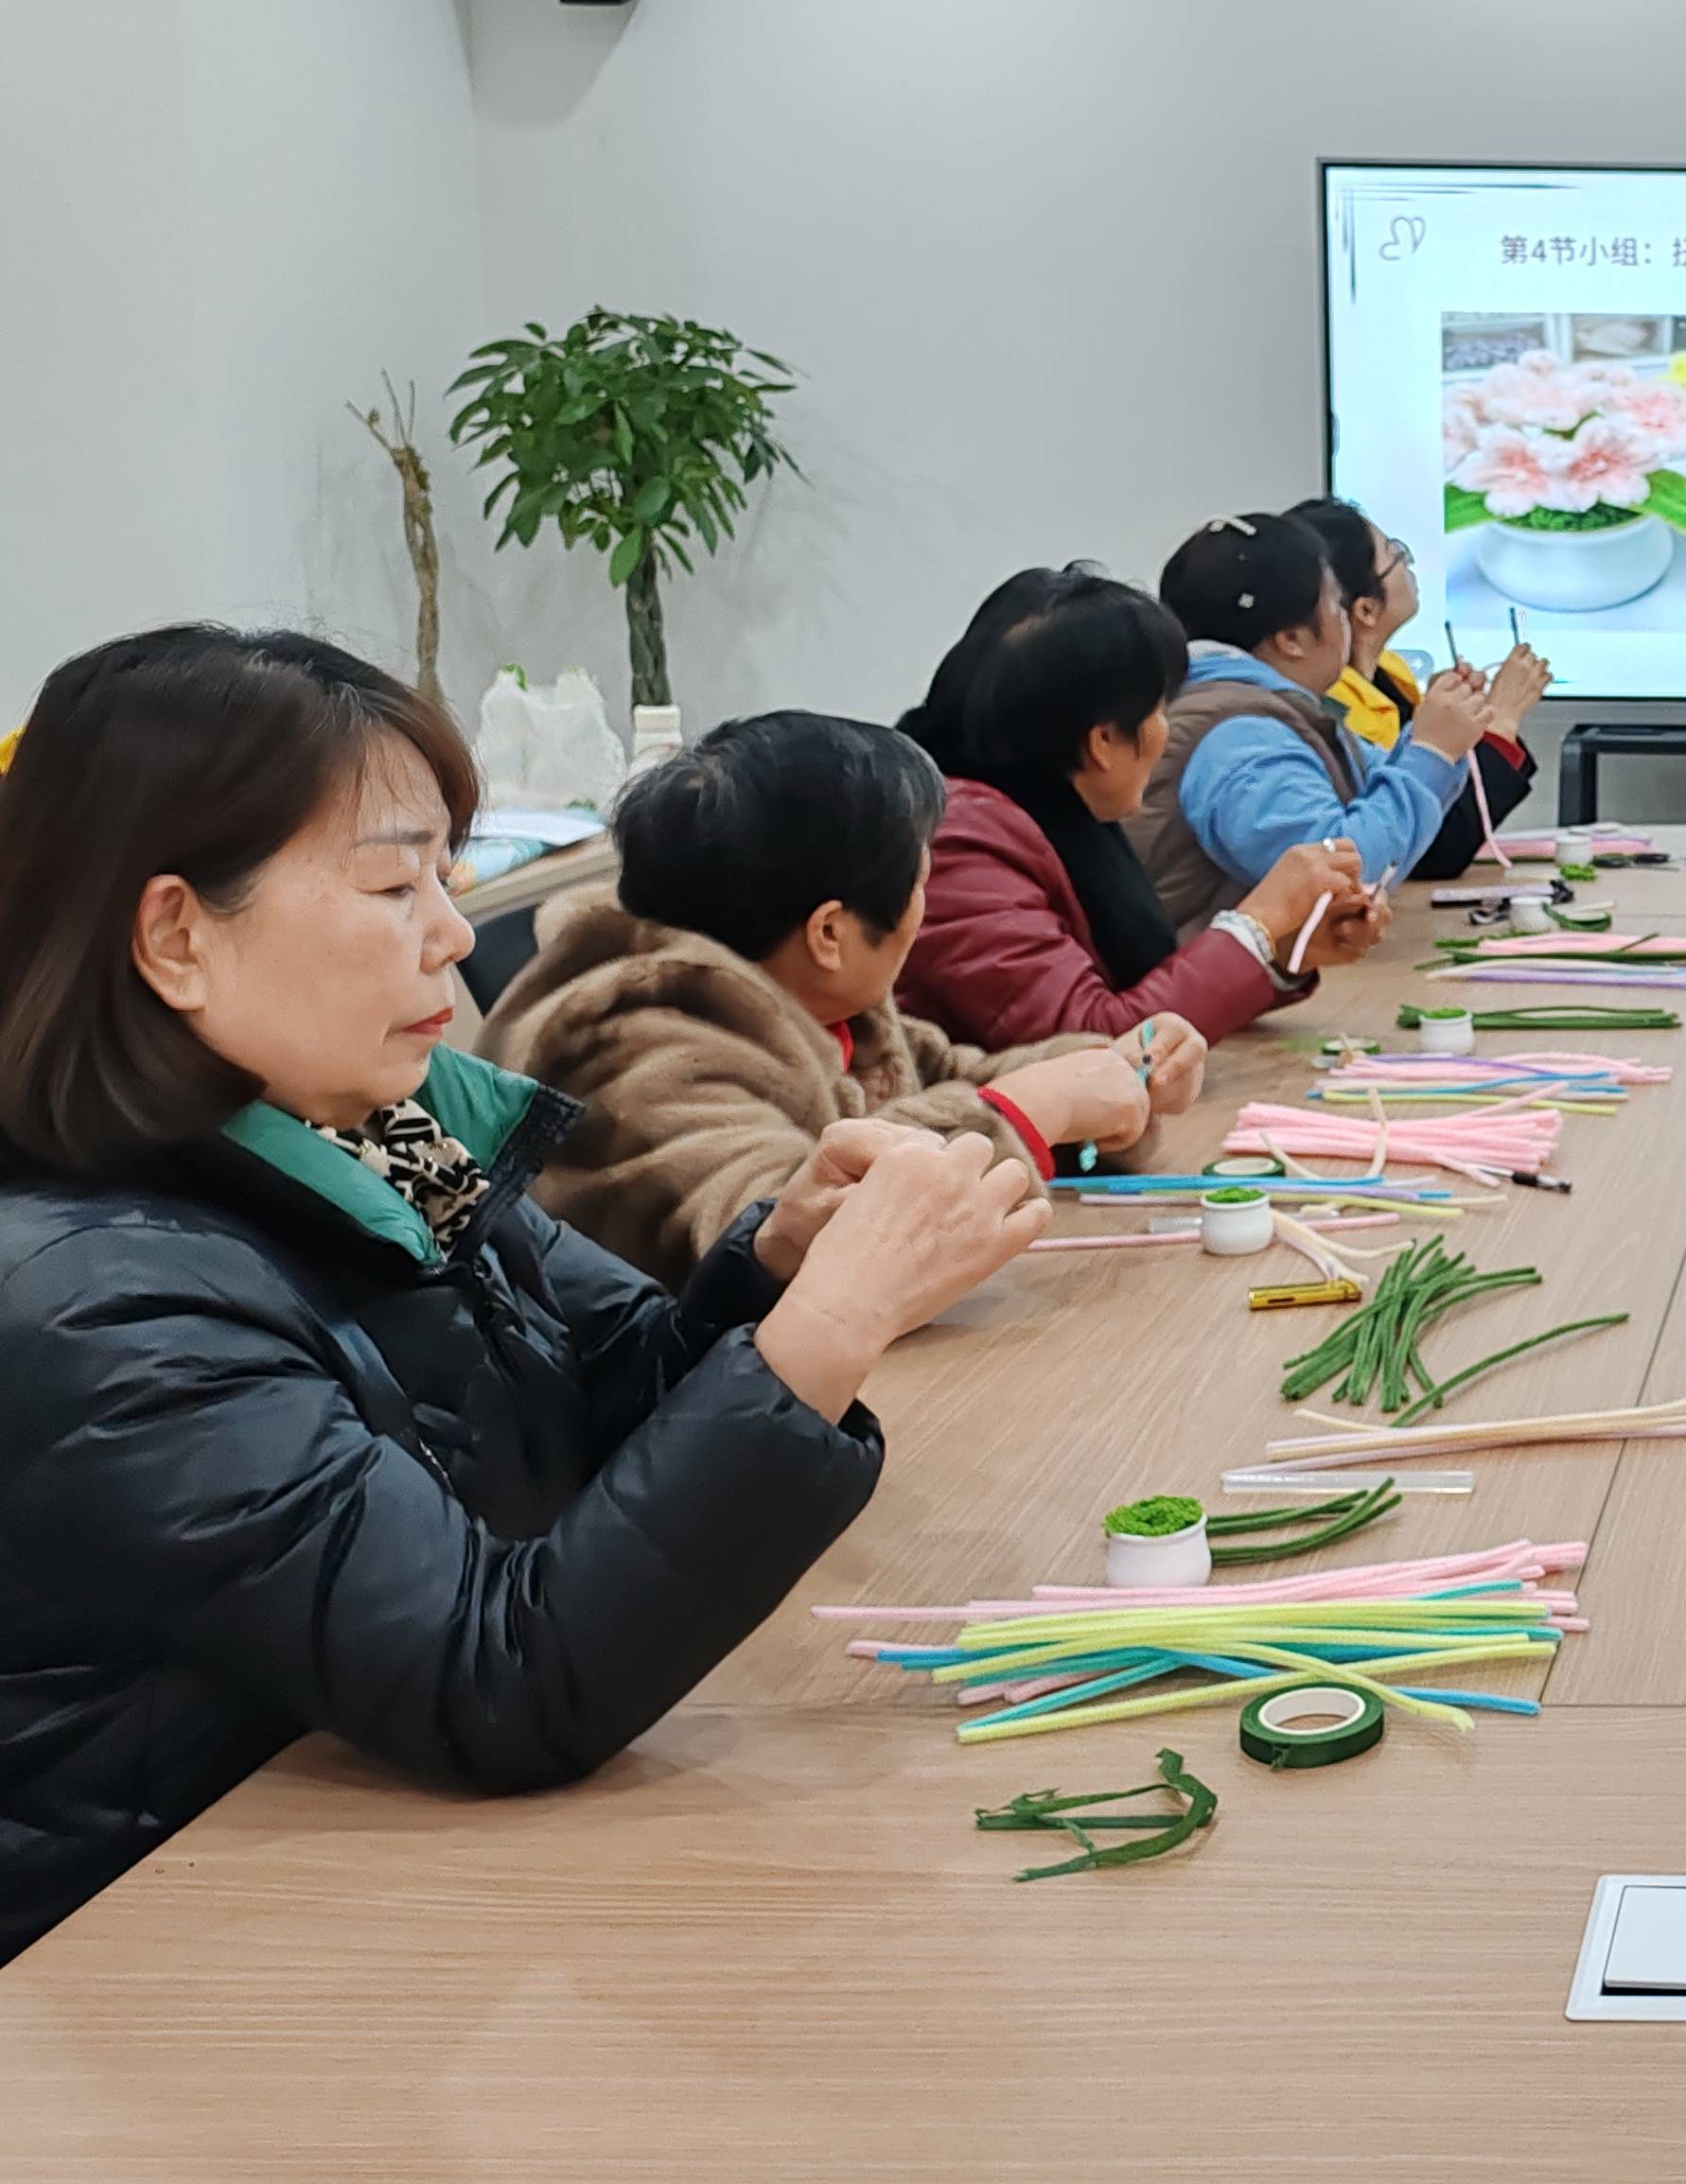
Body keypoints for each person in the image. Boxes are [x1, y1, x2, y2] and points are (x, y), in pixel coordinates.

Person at [0, 626, 1048, 1964]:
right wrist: (830, 1329)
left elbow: (596, 1405)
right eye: (394, 888)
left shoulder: (370, 1126)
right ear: (175, 936)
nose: (452, 935)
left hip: (381, 1867)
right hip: (168, 1960)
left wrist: (777, 1261)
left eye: (446, 875)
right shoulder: (92, 1303)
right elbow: (496, 1678)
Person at [482, 711, 1203, 1285]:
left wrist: (1112, 1073)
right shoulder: (636, 1046)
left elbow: (952, 1076)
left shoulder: (807, 990)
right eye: (920, 884)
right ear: (830, 931)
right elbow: (786, 1245)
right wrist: (1026, 1112)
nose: (924, 908)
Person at [897, 567, 1375, 1047]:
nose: (1166, 731)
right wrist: (1257, 926)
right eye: (1160, 710)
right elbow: (1094, 1039)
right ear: (1103, 740)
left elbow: (1133, 992)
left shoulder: (1052, 806)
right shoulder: (960, 849)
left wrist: (1281, 950)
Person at [1134, 514, 1500, 927]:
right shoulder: (1240, 737)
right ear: (1291, 638)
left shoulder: (1268, 710)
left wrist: (1434, 735)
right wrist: (1432, 751)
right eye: (1334, 604)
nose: (1343, 619)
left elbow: (1375, 798)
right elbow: (1340, 878)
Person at [1287, 498, 1553, 881]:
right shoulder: (1334, 705)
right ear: (1365, 610)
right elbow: (1437, 850)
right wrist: (1501, 718)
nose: (1408, 564)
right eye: (1395, 554)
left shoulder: (1391, 673)